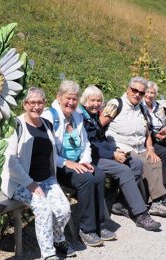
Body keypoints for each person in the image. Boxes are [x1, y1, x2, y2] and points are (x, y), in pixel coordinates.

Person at [1, 87, 74, 260]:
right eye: (31, 102)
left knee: (64, 209)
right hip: (20, 182)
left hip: (46, 179)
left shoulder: (47, 124)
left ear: (44, 104)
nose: (36, 106)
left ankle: (58, 239)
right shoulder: (16, 125)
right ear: (25, 104)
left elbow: (53, 154)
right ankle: (49, 256)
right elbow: (10, 161)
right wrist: (30, 183)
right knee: (43, 209)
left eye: (40, 102)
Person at [42, 80, 115, 247]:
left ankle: (100, 224)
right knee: (86, 180)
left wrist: (84, 162)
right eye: (68, 98)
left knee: (98, 174)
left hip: (77, 163)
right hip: (56, 166)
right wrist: (67, 162)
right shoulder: (50, 117)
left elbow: (86, 144)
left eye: (75, 99)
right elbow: (48, 152)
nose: (71, 102)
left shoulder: (77, 117)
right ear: (58, 97)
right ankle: (87, 229)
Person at [79, 85, 161, 231]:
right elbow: (90, 145)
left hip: (101, 153)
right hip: (91, 158)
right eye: (92, 100)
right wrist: (112, 154)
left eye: (99, 101)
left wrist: (115, 149)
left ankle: (121, 203)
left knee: (136, 163)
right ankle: (141, 214)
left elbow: (101, 140)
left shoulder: (93, 116)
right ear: (85, 101)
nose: (96, 104)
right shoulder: (82, 118)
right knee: (124, 170)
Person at [101, 76, 166, 217]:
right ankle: (162, 199)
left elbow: (147, 133)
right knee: (143, 162)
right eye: (134, 90)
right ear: (128, 89)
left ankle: (155, 202)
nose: (137, 94)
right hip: (121, 147)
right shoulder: (116, 104)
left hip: (139, 147)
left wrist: (150, 149)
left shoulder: (141, 109)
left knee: (154, 161)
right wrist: (107, 149)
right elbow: (99, 125)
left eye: (141, 93)